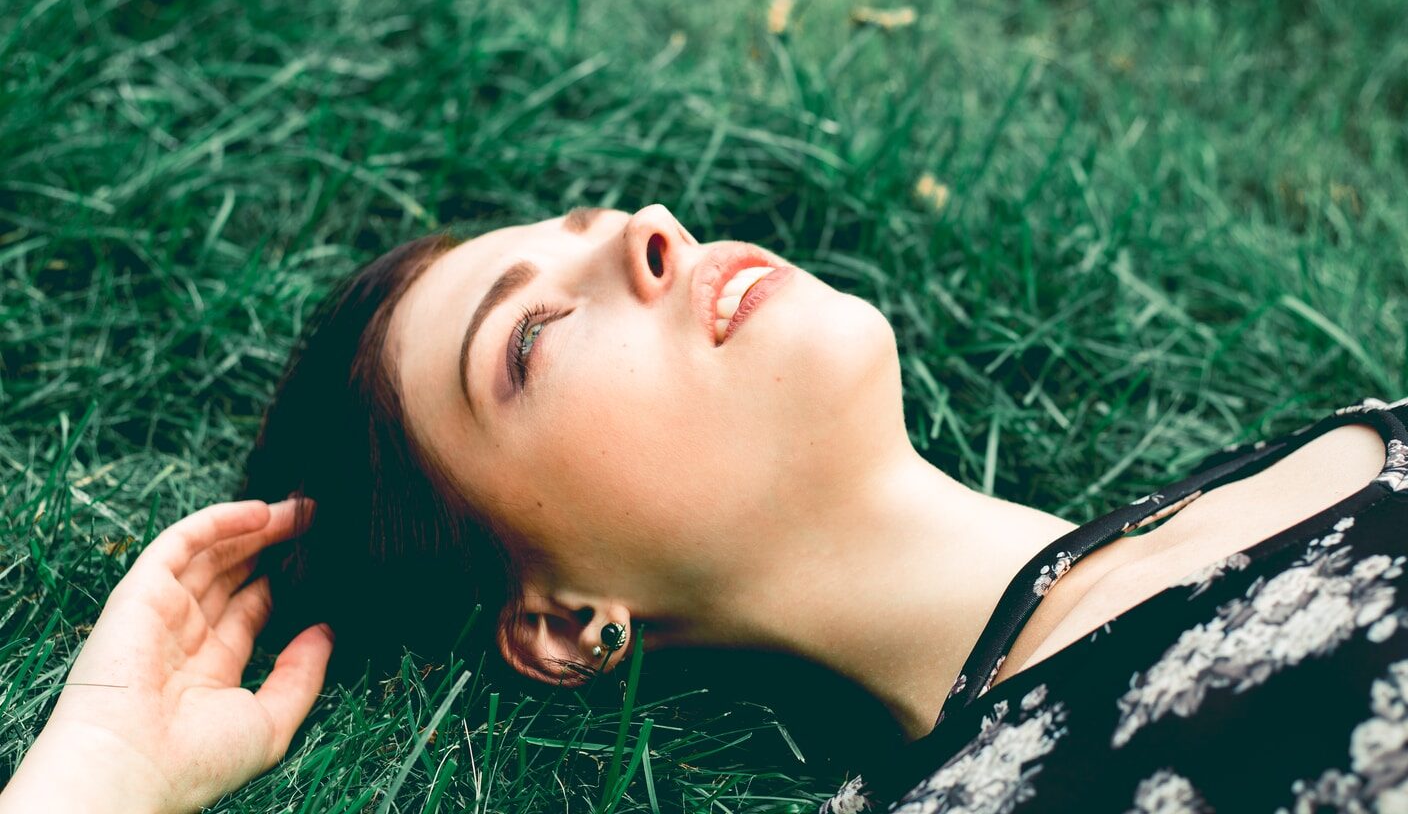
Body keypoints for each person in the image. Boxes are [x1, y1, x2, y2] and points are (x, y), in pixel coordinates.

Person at [5, 203, 1407, 813]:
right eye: (532, 343)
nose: (649, 230)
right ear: (564, 622)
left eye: (593, 222)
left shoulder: (1308, 450)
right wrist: (97, 773)